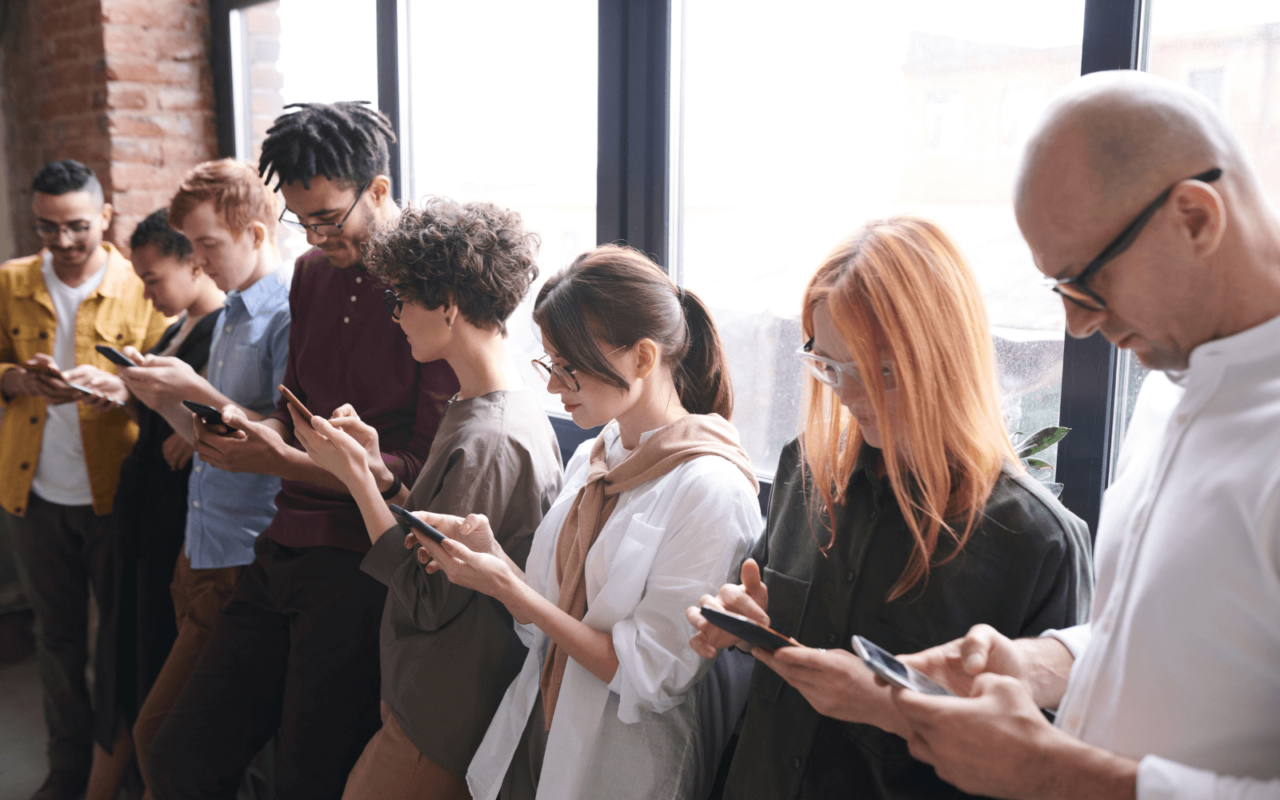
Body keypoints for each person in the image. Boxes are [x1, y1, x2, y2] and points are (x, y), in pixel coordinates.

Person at [887, 71, 1280, 800]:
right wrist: (1034, 665)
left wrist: (1054, 774)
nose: (1077, 325)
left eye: (1086, 281)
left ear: (1195, 218)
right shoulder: (1168, 381)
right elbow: (1169, 632)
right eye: (1060, 292)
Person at [686, 216, 1094, 800]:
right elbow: (763, 624)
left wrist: (886, 707)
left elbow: (1039, 769)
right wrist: (746, 624)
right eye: (830, 367)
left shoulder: (1036, 542)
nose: (850, 396)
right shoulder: (806, 470)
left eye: (882, 372)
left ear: (946, 358)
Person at [147, 102, 459, 800]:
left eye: (328, 218)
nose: (315, 237)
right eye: (302, 220)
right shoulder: (312, 273)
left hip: (361, 561)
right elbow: (293, 411)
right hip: (281, 539)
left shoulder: (432, 290)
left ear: (378, 190)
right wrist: (254, 432)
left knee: (308, 777)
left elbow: (423, 476)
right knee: (178, 755)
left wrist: (285, 460)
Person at [412, 244, 760, 800]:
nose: (554, 386)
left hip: (619, 763)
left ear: (642, 358)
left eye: (569, 368)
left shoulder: (711, 489)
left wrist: (509, 589)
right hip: (537, 732)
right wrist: (492, 560)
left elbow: (652, 675)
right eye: (551, 363)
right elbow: (546, 617)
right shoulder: (595, 456)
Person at [289, 197, 562, 800]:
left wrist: (355, 479)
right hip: (434, 699)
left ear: (449, 306)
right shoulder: (484, 408)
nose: (396, 316)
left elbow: (428, 593)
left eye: (402, 298)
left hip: (441, 715)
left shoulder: (491, 437)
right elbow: (442, 532)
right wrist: (382, 477)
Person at [110, 159, 291, 797]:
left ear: (256, 234)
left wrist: (194, 388)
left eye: (208, 244)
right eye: (192, 245)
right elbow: (207, 437)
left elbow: (287, 440)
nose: (199, 260)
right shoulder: (235, 311)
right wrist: (161, 395)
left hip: (243, 555)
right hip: (201, 548)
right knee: (185, 747)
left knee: (162, 740)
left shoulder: (284, 314)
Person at [0, 159, 168, 800]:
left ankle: (122, 769)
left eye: (76, 226)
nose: (62, 241)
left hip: (116, 495)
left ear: (105, 216)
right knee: (58, 639)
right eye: (47, 227)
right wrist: (19, 378)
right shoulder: (11, 282)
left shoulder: (141, 284)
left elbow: (171, 386)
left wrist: (121, 388)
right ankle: (68, 768)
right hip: (33, 494)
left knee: (124, 640)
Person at [87, 209, 225, 800]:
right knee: (124, 651)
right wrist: (122, 392)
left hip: (174, 520)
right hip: (142, 512)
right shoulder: (175, 331)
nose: (147, 294)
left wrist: (194, 430)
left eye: (152, 279)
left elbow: (230, 423)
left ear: (194, 262)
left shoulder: (223, 331)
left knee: (154, 654)